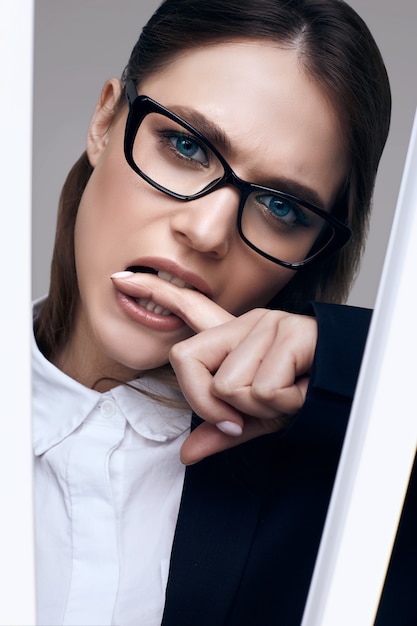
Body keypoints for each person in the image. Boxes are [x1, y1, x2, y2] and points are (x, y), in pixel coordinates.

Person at [32, 0, 415, 624]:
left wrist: (346, 361)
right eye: (185, 146)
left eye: (283, 208)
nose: (208, 233)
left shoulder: (364, 490)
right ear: (106, 119)